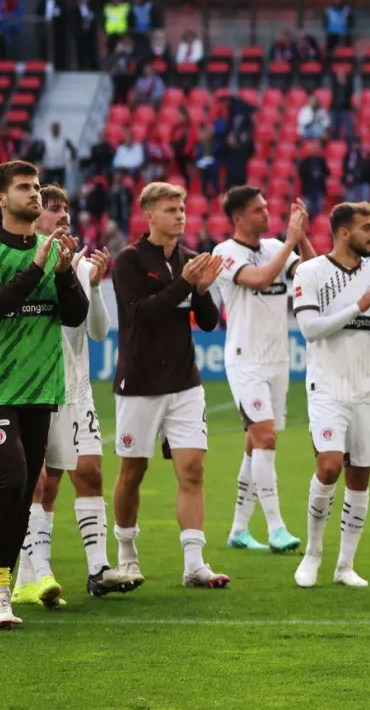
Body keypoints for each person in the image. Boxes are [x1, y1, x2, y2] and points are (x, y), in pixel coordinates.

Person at [0, 163, 88, 628]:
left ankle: (4, 588)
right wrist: (36, 269)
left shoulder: (52, 251)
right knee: (10, 481)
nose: (33, 194)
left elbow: (74, 316)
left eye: (36, 187)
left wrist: (66, 272)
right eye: (23, 188)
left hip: (39, 390)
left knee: (20, 495)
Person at [10, 185, 132, 611]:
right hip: (35, 389)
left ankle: (98, 570)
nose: (62, 216)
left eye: (66, 210)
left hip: (77, 391)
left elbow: (99, 333)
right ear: (33, 217)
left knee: (90, 474)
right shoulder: (21, 262)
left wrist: (95, 286)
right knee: (40, 482)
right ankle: (39, 573)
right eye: (52, 209)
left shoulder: (80, 266)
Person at [110, 182, 229, 591]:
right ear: (149, 215)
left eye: (182, 207)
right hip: (139, 382)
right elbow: (141, 314)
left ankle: (194, 564)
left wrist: (201, 291)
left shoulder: (190, 260)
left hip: (183, 382)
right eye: (170, 208)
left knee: (193, 469)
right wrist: (185, 284)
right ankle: (126, 555)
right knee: (133, 471)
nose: (180, 214)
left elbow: (210, 322)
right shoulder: (128, 261)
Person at [291, 203, 370, 589]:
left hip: (369, 389)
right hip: (328, 390)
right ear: (342, 232)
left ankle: (345, 565)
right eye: (367, 228)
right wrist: (359, 305)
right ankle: (313, 553)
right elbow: (310, 330)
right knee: (330, 466)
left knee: (360, 475)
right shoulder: (311, 272)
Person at [213, 186, 315, 555]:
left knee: (255, 445)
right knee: (267, 438)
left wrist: (300, 239)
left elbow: (308, 274)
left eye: (267, 207)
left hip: (277, 359)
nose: (266, 213)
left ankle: (239, 529)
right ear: (239, 218)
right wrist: (289, 241)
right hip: (245, 360)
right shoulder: (224, 252)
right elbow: (257, 279)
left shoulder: (275, 246)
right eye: (258, 210)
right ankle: (276, 528)